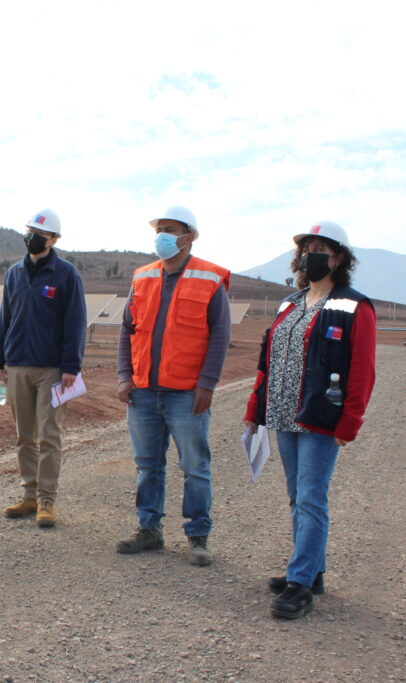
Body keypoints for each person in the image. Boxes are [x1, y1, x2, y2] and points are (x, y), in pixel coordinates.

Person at [244, 220, 376, 620]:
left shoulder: (355, 305)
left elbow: (363, 369)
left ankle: (299, 583)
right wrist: (256, 410)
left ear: (339, 258)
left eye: (323, 248)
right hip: (284, 414)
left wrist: (349, 423)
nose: (312, 254)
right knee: (296, 497)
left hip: (320, 419)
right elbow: (269, 362)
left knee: (311, 497)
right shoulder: (289, 303)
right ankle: (312, 570)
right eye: (307, 248)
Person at [115, 206, 230, 566]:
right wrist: (124, 376)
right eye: (159, 229)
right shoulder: (142, 277)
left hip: (186, 394)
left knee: (195, 465)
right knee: (147, 464)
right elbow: (127, 331)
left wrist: (207, 385)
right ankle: (149, 530)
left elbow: (220, 336)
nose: (161, 235)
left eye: (170, 229)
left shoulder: (209, 279)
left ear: (189, 236)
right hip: (144, 392)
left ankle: (198, 535)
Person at [0, 209, 86, 528]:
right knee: (24, 436)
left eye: (40, 233)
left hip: (52, 370)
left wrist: (71, 365)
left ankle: (47, 500)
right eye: (30, 230)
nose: (33, 236)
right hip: (16, 366)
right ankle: (28, 495)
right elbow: (4, 318)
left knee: (49, 435)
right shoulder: (14, 273)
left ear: (54, 239)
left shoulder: (66, 274)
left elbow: (75, 322)